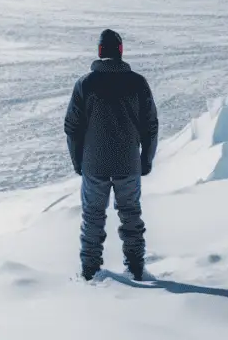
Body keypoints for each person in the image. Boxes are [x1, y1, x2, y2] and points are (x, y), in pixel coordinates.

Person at [64, 29, 159, 281]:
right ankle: (137, 269)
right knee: (131, 215)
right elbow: (150, 125)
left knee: (93, 218)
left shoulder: (86, 84)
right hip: (128, 164)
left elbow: (72, 127)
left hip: (94, 165)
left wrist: (79, 162)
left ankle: (90, 273)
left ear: (99, 52)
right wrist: (145, 161)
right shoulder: (137, 83)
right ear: (120, 52)